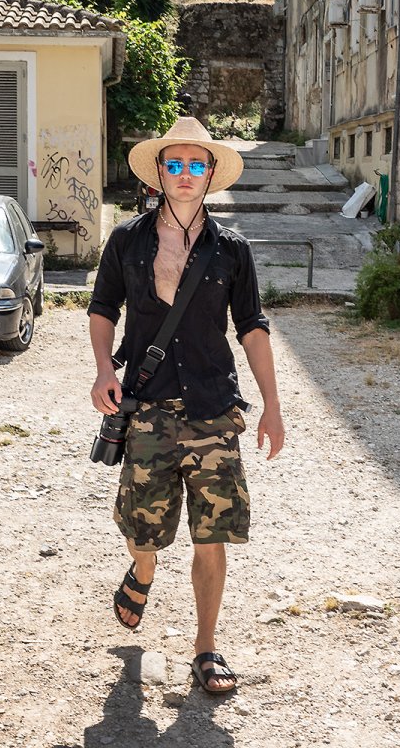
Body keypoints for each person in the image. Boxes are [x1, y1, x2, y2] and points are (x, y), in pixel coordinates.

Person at [88, 117, 284, 695]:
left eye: (196, 164)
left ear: (211, 173)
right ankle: (144, 568)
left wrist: (272, 404)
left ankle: (206, 647)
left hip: (213, 409)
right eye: (174, 163)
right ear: (158, 171)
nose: (185, 174)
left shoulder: (232, 250)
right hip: (146, 407)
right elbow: (102, 309)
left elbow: (252, 327)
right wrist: (104, 369)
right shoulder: (126, 240)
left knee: (211, 534)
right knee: (142, 528)